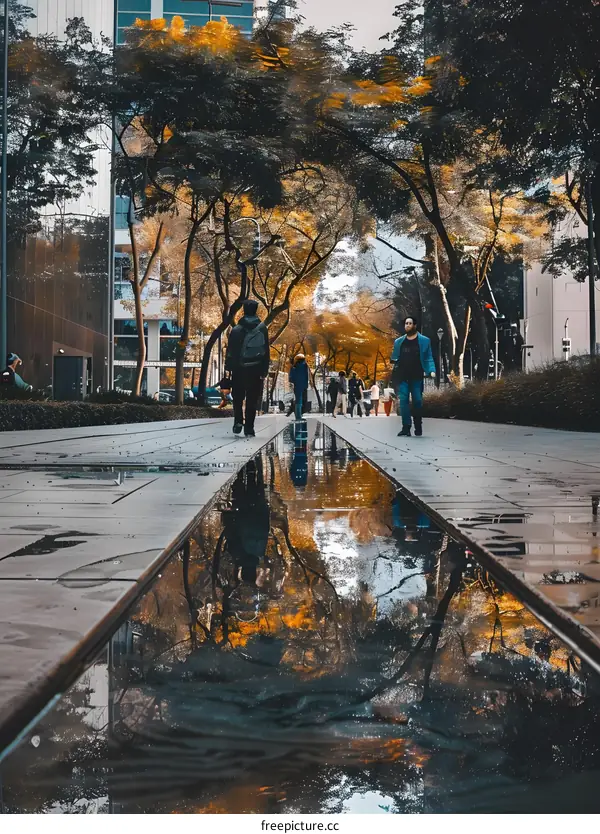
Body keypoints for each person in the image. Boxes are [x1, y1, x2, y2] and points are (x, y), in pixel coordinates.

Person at [225, 299, 269, 438]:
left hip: (239, 369)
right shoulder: (262, 329)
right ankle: (249, 428)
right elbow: (266, 351)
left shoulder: (236, 329)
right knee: (252, 399)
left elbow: (230, 351)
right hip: (256, 369)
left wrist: (229, 367)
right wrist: (264, 369)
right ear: (255, 310)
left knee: (238, 398)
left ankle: (238, 421)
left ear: (243, 310)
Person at [390, 316, 436, 437]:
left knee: (418, 401)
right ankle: (406, 427)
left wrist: (431, 370)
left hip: (416, 377)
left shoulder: (424, 341)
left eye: (410, 323)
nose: (407, 325)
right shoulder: (399, 341)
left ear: (415, 325)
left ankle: (418, 425)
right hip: (402, 377)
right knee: (403, 401)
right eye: (406, 323)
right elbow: (395, 358)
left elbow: (428, 357)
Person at [289, 353, 309, 421]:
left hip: (297, 385)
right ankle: (300, 415)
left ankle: (298, 416)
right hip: (304, 385)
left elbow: (291, 378)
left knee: (298, 401)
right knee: (303, 401)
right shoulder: (305, 366)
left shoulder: (294, 367)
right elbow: (307, 376)